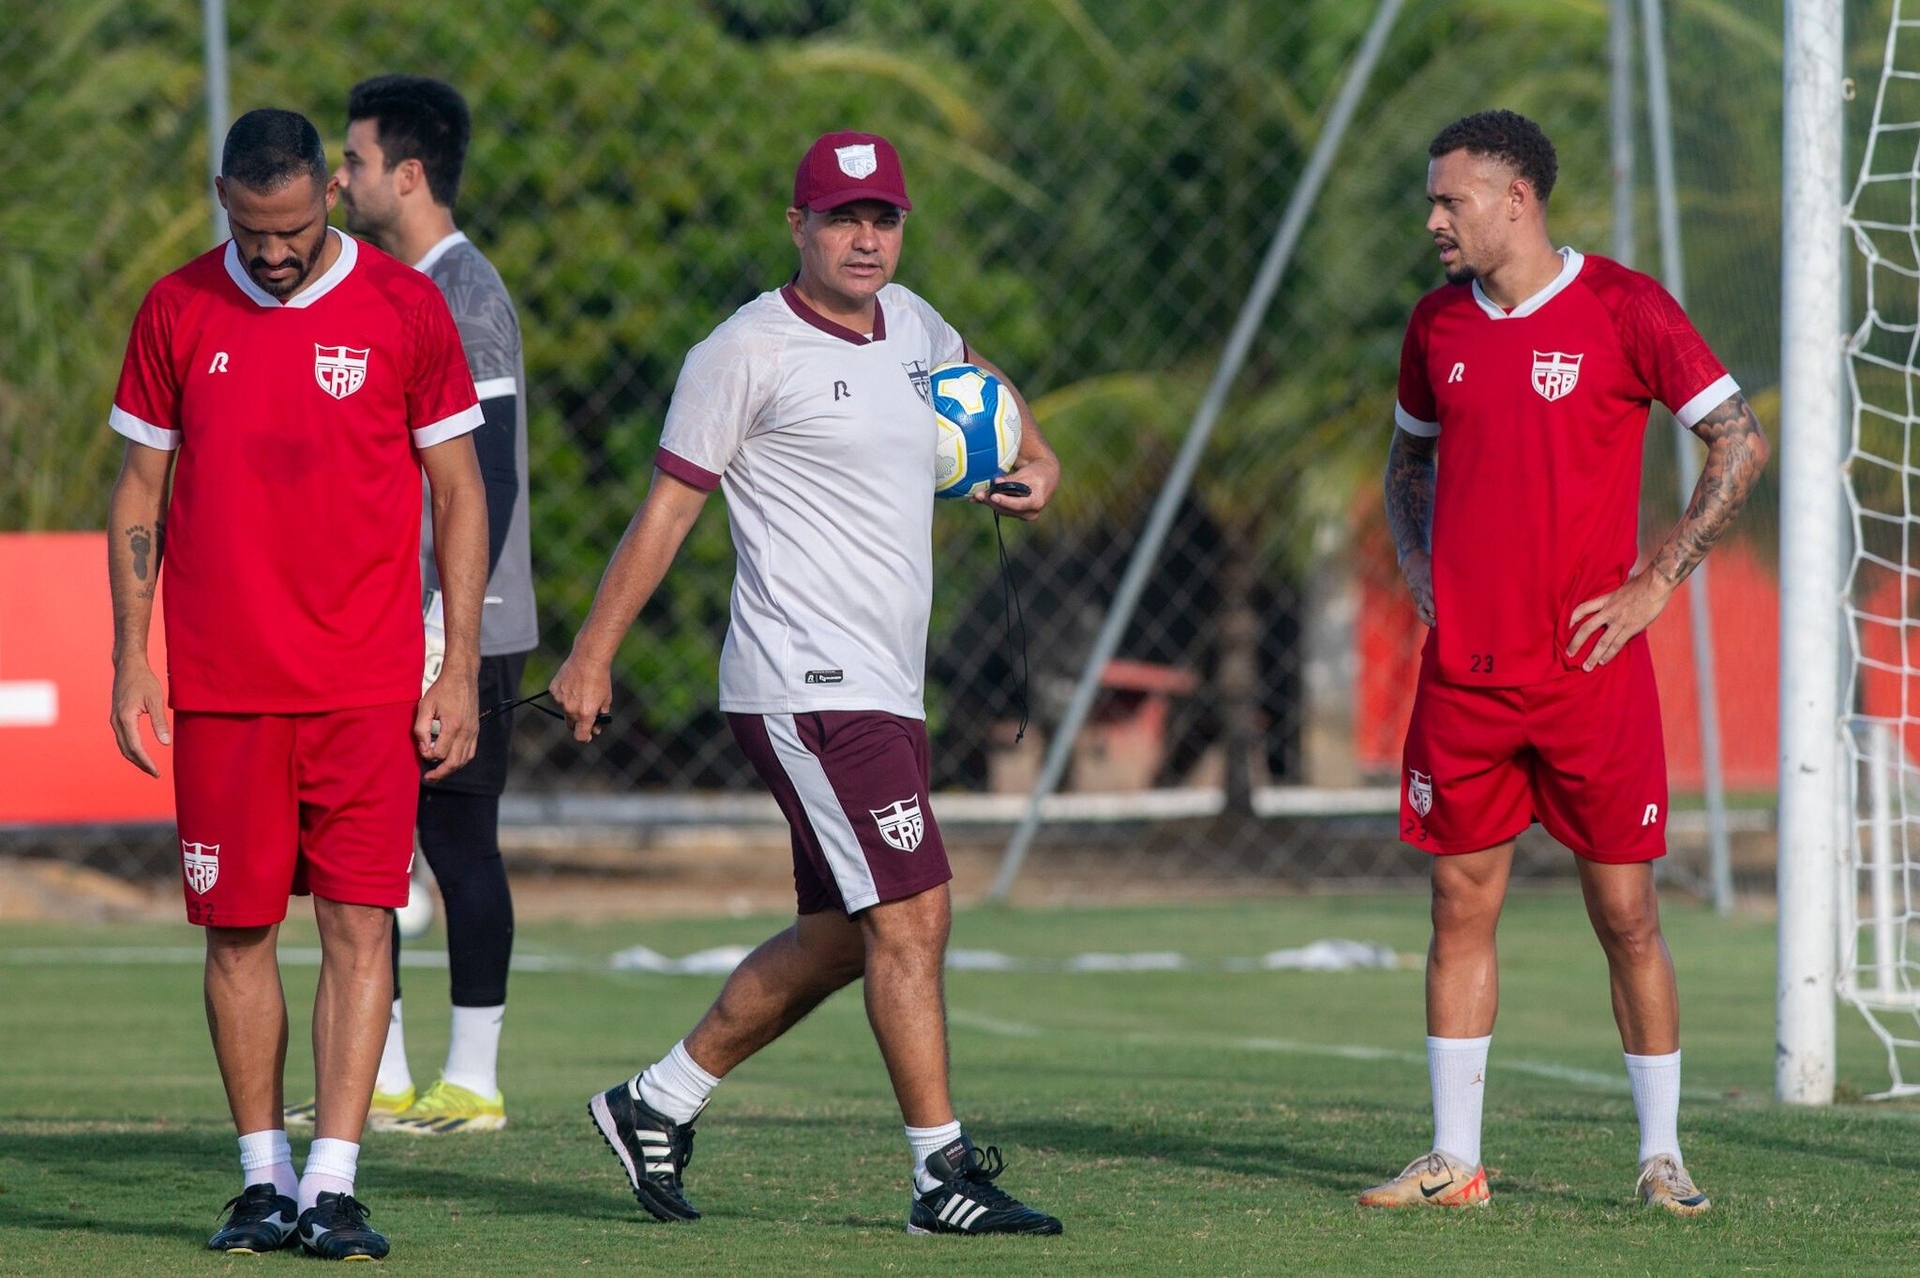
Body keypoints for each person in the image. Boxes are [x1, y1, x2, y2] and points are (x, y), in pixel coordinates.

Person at [549, 130, 1063, 1236]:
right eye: (842, 218)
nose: (866, 238)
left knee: (840, 937)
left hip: (886, 682)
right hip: (805, 682)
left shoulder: (915, 323)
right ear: (799, 227)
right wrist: (592, 652)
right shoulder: (744, 351)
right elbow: (667, 512)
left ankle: (656, 1100)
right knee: (915, 912)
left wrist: (1040, 458)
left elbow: (985, 386)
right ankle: (941, 1176)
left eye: (884, 218)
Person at [1361, 110, 1768, 1215]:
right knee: (1457, 905)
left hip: (1591, 672)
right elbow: (1408, 458)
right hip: (1466, 676)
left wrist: (1656, 582)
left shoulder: (1625, 308)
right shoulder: (1436, 323)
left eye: (1450, 199)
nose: (1434, 219)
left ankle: (1662, 1157)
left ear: (1517, 199)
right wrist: (1415, 560)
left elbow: (1739, 439)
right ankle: (1454, 1161)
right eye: (1432, 199)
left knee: (1626, 914)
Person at [105, 107, 489, 1259]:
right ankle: (262, 1178)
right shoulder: (176, 308)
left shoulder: (405, 306)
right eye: (249, 229)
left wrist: (459, 668)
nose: (272, 252)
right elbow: (139, 492)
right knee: (237, 932)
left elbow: (460, 491)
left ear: (330, 191)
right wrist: (131, 655)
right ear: (223, 200)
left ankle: (334, 1184)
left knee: (360, 924)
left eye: (291, 228)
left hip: (368, 685)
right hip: (225, 686)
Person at [290, 74, 531, 1136]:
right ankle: (379, 1075)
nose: (339, 179)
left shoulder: (464, 292)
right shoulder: (387, 287)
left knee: (460, 843)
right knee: (364, 845)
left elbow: (491, 478)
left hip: (461, 622)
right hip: (386, 618)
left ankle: (472, 1081)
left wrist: (448, 631)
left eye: (354, 159)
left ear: (410, 173)